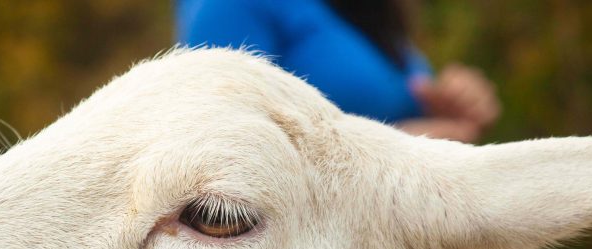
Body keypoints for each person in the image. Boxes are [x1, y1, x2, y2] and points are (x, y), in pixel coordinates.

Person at [177, 0, 500, 143]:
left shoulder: (365, 10)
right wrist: (389, 153)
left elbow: (405, 102)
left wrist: (458, 101)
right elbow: (223, 152)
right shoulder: (228, 6)